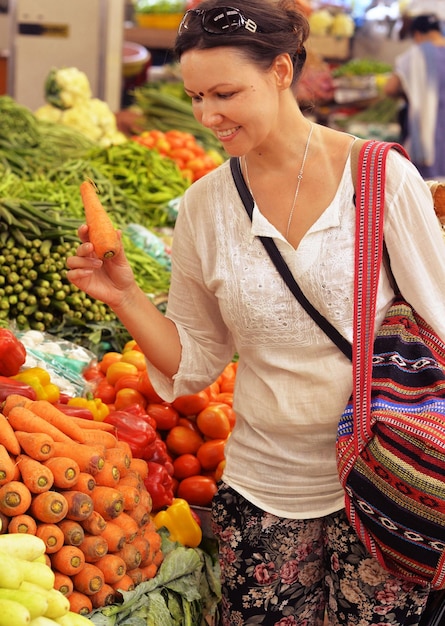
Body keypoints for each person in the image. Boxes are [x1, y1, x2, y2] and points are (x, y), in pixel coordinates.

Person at [66, 1, 445, 624]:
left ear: (280, 70)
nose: (208, 115)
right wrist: (126, 296)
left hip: (387, 482)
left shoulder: (379, 180)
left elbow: (438, 322)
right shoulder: (205, 207)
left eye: (225, 92)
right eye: (193, 96)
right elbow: (193, 363)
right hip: (263, 488)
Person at [385, 13, 445, 178]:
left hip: (426, 134)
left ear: (417, 34)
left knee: (429, 190)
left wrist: (406, 93)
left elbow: (390, 88)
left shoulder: (415, 55)